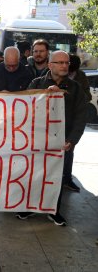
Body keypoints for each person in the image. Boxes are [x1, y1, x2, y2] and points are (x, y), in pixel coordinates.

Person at [17, 50, 86, 226]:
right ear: (50, 65)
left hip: (63, 142)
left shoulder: (75, 87)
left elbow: (80, 116)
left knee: (57, 177)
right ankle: (30, 206)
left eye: (66, 63)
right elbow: (26, 108)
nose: (64, 66)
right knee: (34, 174)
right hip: (38, 140)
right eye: (60, 62)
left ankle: (53, 210)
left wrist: (72, 140)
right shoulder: (37, 83)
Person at [61, 53, 92, 192]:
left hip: (71, 120)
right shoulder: (56, 75)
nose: (66, 67)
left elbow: (87, 96)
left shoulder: (81, 77)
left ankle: (66, 179)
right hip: (56, 118)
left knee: (69, 151)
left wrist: (73, 95)